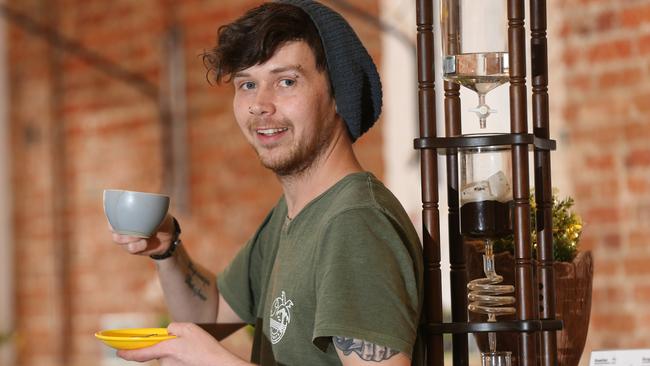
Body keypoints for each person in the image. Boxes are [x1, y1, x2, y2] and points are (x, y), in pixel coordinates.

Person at [109, 1, 423, 365]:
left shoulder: (354, 222)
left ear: (339, 93)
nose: (259, 104)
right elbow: (210, 316)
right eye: (247, 84)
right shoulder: (293, 215)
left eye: (286, 81)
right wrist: (168, 251)